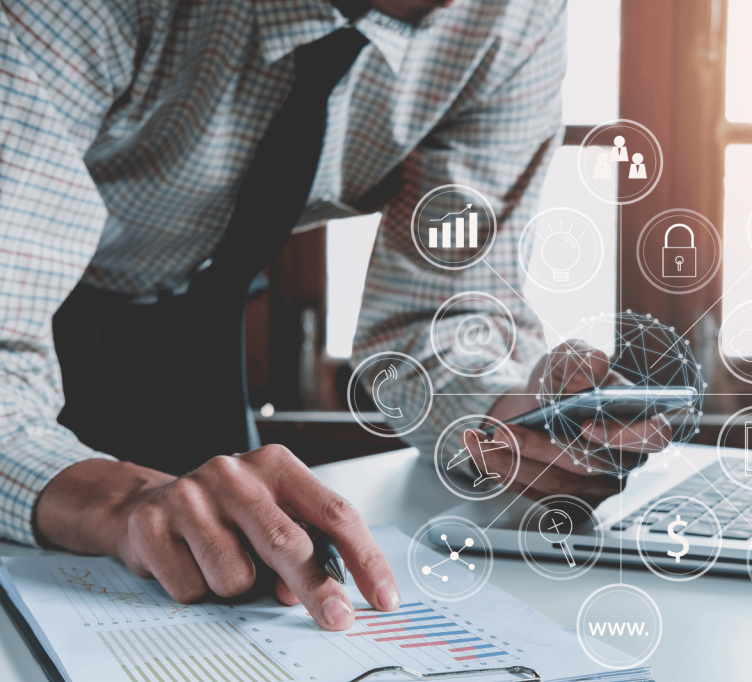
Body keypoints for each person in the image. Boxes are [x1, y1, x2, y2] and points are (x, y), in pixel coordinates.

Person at [0, 0, 667, 634]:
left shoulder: (511, 18)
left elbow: (438, 306)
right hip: (34, 319)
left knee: (230, 587)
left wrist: (501, 412)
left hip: (197, 319)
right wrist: (113, 500)